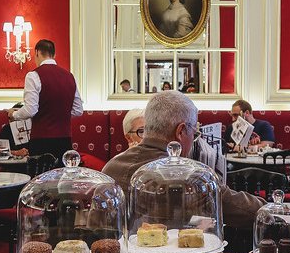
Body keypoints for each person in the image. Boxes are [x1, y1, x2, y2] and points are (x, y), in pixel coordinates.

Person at [103, 92, 264, 235]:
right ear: (180, 131)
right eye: (194, 133)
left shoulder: (110, 167)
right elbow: (245, 210)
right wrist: (270, 207)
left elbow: (97, 228)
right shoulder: (189, 175)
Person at [7, 39, 83, 164]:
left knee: (41, 181)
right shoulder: (69, 76)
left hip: (41, 141)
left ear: (37, 52)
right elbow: (78, 110)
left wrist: (14, 114)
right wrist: (59, 114)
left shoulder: (33, 75)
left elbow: (31, 109)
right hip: (65, 140)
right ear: (54, 54)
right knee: (61, 179)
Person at [122, 108, 226, 180]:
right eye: (142, 131)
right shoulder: (117, 166)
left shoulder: (170, 163)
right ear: (128, 138)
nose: (147, 136)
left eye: (150, 130)